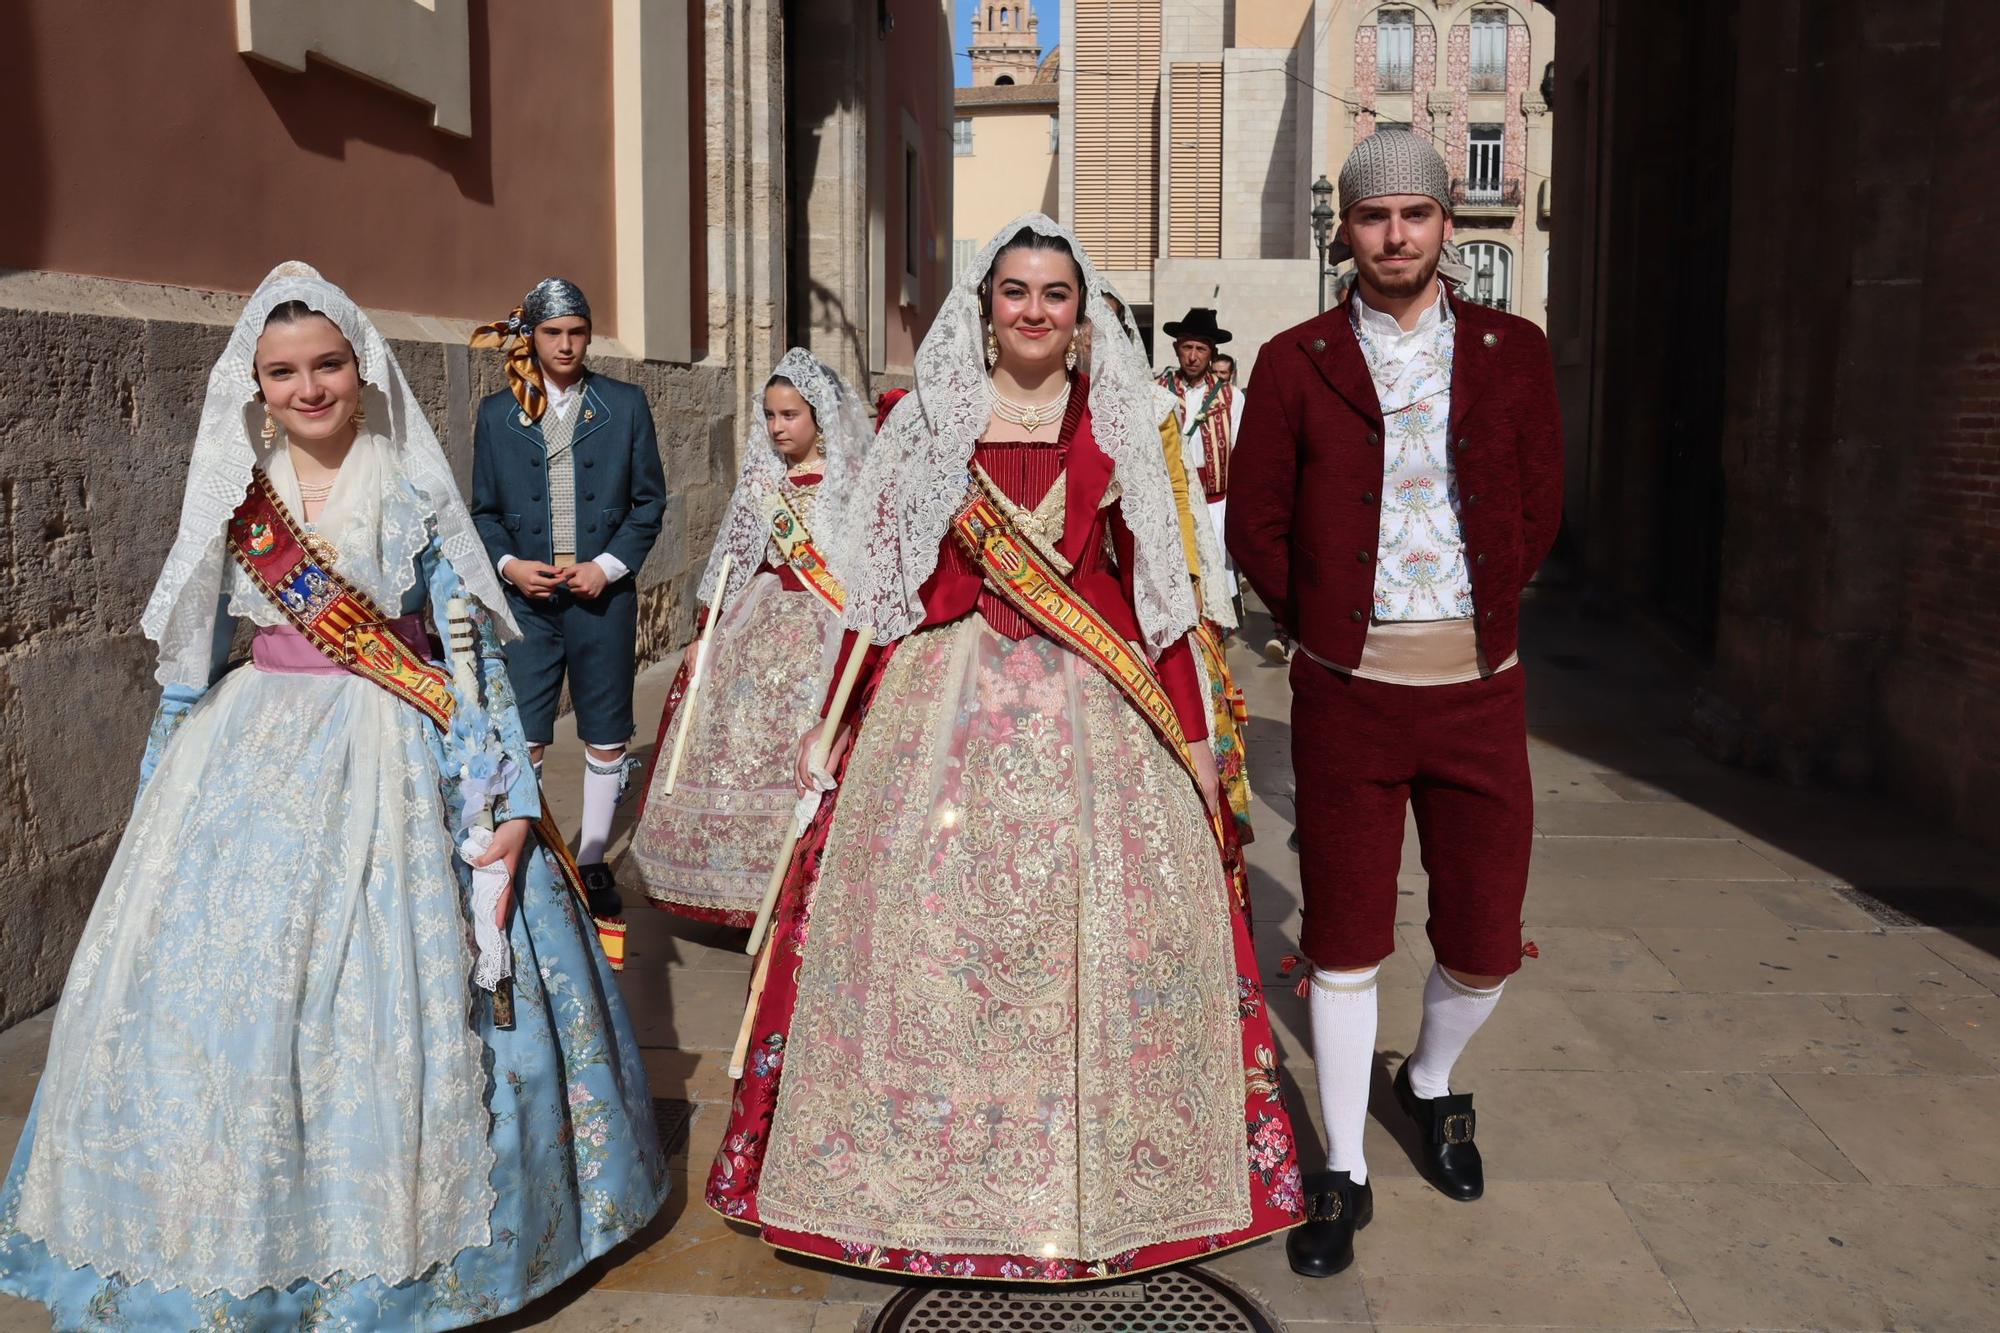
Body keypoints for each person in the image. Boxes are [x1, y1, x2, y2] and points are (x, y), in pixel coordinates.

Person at [0, 263, 666, 1328]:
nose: (308, 388)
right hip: (250, 741)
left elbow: (469, 660)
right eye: (283, 372)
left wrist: (495, 795)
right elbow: (191, 656)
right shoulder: (235, 490)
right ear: (253, 386)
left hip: (392, 743)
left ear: (363, 369)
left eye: (327, 365)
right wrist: (162, 767)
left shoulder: (408, 486)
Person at [706, 215, 1304, 1280]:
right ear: (984, 308)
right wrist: (829, 718)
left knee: (1098, 935)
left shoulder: (1123, 421)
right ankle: (912, 1171)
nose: (1034, 311)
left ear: (1082, 316)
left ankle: (1107, 1175)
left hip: (1096, 707)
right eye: (1015, 292)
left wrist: (1201, 743)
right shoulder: (923, 420)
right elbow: (881, 588)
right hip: (944, 698)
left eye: (1055, 294)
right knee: (926, 935)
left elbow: (1155, 602)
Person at [1227, 130, 1564, 1278]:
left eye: (1414, 214)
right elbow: (1253, 521)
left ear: (1444, 227)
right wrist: (1329, 623)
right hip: (1345, 697)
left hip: (1478, 691)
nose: (1395, 236)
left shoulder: (1511, 351)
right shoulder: (1293, 359)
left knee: (1481, 940)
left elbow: (1538, 497)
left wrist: (1478, 608)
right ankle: (1342, 1166)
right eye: (1374, 218)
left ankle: (1425, 1085)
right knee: (1341, 939)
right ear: (1347, 229)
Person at [629, 350, 869, 923]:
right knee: (732, 740)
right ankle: (727, 882)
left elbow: (860, 563)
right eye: (769, 415)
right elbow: (732, 558)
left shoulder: (852, 483)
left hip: (822, 627)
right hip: (757, 623)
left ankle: (798, 883)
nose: (778, 427)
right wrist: (705, 629)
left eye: (790, 415)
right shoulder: (763, 482)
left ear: (819, 418)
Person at [471, 278, 667, 919]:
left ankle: (591, 859)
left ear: (588, 336)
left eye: (577, 333)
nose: (565, 344)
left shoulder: (624, 404)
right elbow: (485, 512)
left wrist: (607, 568)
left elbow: (647, 503)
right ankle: (522, 843)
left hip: (600, 601)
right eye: (552, 333)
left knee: (606, 732)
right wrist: (510, 567)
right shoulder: (498, 415)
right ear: (530, 336)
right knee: (525, 732)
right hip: (528, 600)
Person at [1158, 307, 1245, 617]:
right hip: (1171, 502)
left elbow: (1240, 451)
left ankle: (1213, 635)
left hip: (1214, 504)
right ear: (1176, 348)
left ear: (1212, 353)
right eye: (1187, 347)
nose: (1193, 356)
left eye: (1201, 349)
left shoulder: (1232, 396)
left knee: (1214, 572)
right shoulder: (1157, 391)